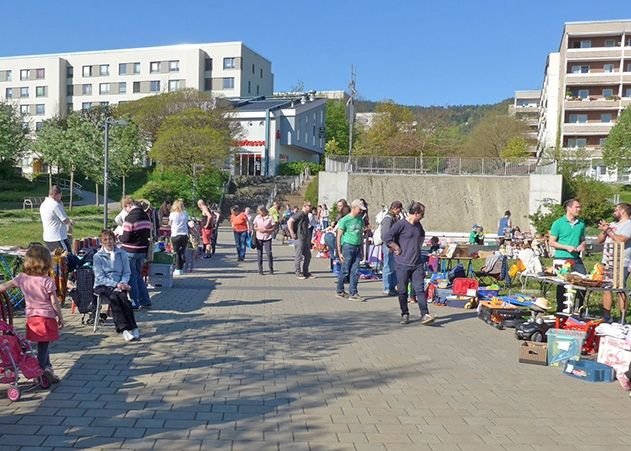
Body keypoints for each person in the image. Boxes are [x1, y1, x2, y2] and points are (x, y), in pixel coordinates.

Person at [0, 245, 64, 383]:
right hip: (46, 317)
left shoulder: (22, 278)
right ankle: (41, 370)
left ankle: (47, 368)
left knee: (40, 344)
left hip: (32, 318)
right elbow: (54, 302)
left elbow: (5, 286)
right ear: (46, 262)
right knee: (44, 345)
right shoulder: (47, 281)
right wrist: (60, 316)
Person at [384, 202, 435, 325]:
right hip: (402, 263)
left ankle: (425, 314)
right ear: (416, 213)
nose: (423, 216)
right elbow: (387, 237)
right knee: (402, 291)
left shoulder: (418, 226)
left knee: (419, 289)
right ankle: (405, 313)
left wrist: (417, 247)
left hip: (416, 264)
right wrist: (396, 247)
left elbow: (421, 236)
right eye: (422, 214)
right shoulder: (401, 225)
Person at [93, 229, 140, 342]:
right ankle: (124, 329)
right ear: (101, 241)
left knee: (124, 298)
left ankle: (133, 327)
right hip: (103, 285)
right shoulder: (97, 256)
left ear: (114, 240)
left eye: (110, 239)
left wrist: (123, 283)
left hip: (120, 284)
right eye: (105, 239)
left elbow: (127, 272)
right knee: (114, 298)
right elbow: (100, 277)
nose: (108, 241)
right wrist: (116, 285)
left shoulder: (122, 253)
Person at [549, 198, 587, 312]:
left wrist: (582, 245)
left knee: (583, 281)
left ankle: (578, 308)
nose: (579, 209)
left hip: (576, 258)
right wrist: (566, 247)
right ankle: (561, 310)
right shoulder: (558, 223)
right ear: (569, 208)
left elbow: (582, 239)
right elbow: (552, 242)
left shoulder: (581, 224)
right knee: (562, 285)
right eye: (577, 207)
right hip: (562, 258)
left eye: (580, 207)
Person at [597, 202, 631, 322]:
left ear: (623, 211)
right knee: (606, 288)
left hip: (621, 262)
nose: (614, 212)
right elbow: (599, 240)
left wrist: (610, 231)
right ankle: (607, 317)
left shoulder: (629, 224)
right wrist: (604, 231)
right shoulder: (612, 224)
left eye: (616, 210)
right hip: (607, 261)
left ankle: (622, 319)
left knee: (619, 289)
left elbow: (621, 240)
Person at [119, 197, 152, 309]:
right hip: (142, 250)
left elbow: (126, 237)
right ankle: (146, 300)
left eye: (125, 207)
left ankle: (135, 301)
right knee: (138, 275)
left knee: (131, 276)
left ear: (128, 205)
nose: (125, 210)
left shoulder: (130, 217)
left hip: (130, 250)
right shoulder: (146, 216)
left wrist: (120, 236)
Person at [335, 199, 367, 301]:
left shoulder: (360, 220)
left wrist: (362, 250)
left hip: (357, 247)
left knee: (355, 271)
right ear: (354, 208)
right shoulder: (345, 220)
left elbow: (361, 236)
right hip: (347, 246)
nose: (361, 211)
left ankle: (353, 292)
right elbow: (339, 236)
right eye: (360, 209)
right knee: (345, 270)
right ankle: (340, 290)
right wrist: (339, 252)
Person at [40, 185, 74, 253]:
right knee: (66, 257)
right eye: (60, 195)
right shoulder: (55, 205)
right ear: (57, 195)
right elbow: (65, 220)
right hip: (58, 238)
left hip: (47, 238)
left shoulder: (43, 204)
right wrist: (71, 222)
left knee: (53, 259)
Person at [381, 201, 403, 296]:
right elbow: (385, 235)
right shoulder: (388, 219)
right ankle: (387, 288)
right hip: (389, 246)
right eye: (399, 210)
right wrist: (390, 245)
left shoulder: (394, 218)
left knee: (393, 268)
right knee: (388, 267)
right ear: (395, 208)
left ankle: (392, 287)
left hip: (393, 246)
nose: (400, 212)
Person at [288, 201, 313, 279]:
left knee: (308, 256)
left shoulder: (306, 215)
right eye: (309, 206)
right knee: (299, 256)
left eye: (310, 206)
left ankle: (306, 272)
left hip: (305, 238)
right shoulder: (300, 214)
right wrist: (292, 233)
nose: (310, 207)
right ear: (304, 206)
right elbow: (290, 221)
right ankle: (298, 272)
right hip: (299, 237)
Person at [253, 205, 275, 275]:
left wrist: (267, 230)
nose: (259, 212)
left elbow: (274, 227)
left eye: (260, 211)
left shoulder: (270, 217)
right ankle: (260, 269)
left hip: (267, 237)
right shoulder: (257, 217)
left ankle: (271, 268)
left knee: (269, 253)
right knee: (259, 254)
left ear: (264, 210)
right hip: (259, 237)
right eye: (258, 211)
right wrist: (258, 229)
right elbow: (254, 226)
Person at [169, 199, 189, 275]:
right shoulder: (185, 213)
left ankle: (177, 269)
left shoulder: (172, 214)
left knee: (176, 252)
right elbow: (186, 222)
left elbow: (170, 223)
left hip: (175, 234)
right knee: (182, 252)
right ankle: (182, 267)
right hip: (184, 234)